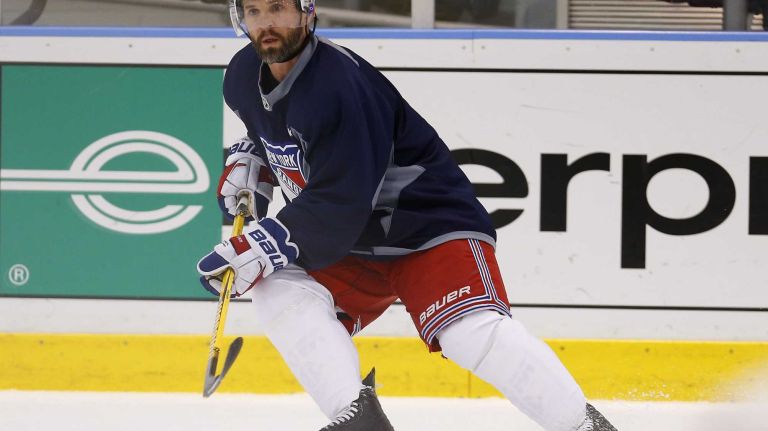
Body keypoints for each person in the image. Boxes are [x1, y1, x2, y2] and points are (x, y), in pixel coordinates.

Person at [197, 0, 619, 430]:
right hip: (351, 242)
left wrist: (263, 243)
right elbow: (278, 134)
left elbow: (342, 201)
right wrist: (255, 159)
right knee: (276, 287)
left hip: (426, 228)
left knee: (468, 333)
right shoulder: (241, 76)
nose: (266, 23)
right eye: (253, 11)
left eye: (278, 8)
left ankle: (583, 426)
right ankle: (358, 420)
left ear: (308, 12)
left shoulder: (339, 86)